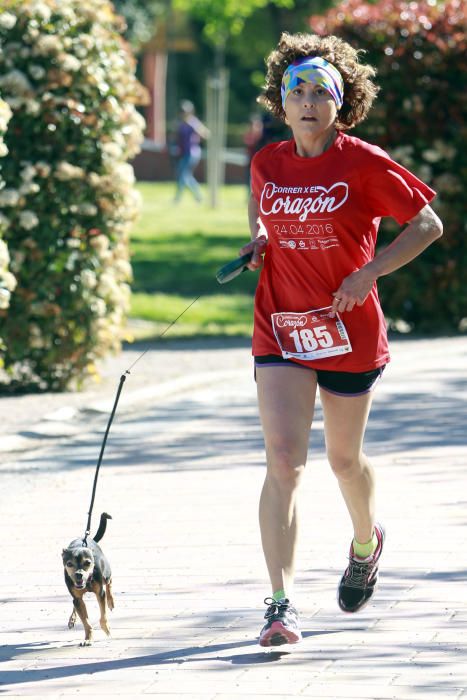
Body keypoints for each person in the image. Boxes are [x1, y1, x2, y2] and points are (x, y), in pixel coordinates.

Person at [239, 32, 443, 647]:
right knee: (283, 461)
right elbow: (262, 219)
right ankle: (279, 604)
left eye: (319, 92)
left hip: (347, 330)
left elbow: (427, 224)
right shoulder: (267, 163)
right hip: (280, 325)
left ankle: (364, 542)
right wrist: (259, 246)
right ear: (281, 99)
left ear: (341, 101)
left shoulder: (362, 161)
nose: (306, 102)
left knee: (343, 461)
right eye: (295, 90)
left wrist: (368, 271)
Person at [174, 100, 209, 203]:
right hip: (184, 153)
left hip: (193, 153)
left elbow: (205, 134)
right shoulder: (181, 123)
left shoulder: (193, 122)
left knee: (183, 175)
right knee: (185, 175)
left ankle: (178, 198)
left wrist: (195, 130)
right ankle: (197, 196)